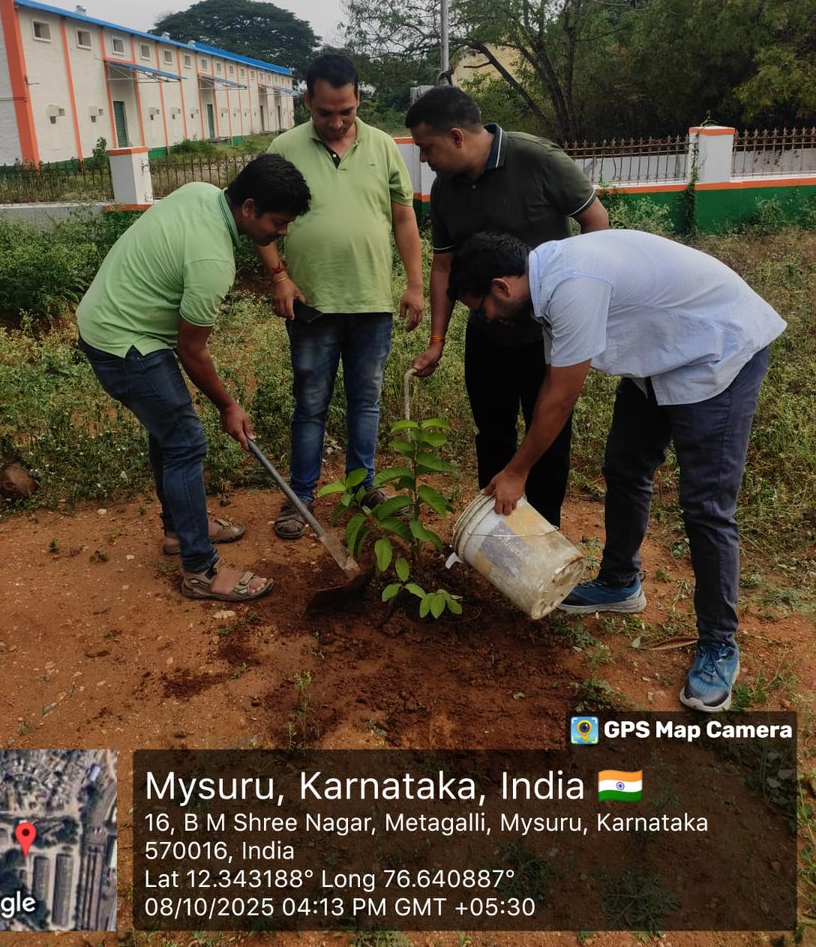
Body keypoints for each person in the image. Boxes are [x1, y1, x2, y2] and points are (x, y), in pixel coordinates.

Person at [447, 229, 786, 712]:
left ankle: (718, 644)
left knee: (706, 507)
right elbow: (551, 382)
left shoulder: (571, 287)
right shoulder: (543, 279)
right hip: (660, 360)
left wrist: (517, 471)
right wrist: (516, 466)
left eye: (481, 309)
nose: (487, 320)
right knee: (625, 468)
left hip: (717, 351)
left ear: (501, 287)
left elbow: (562, 399)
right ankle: (621, 582)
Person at [76, 155, 312, 602]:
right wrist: (228, 405)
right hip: (123, 341)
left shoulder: (201, 193)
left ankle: (179, 531)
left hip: (115, 325)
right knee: (185, 439)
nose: (281, 234)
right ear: (248, 207)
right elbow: (191, 350)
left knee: (168, 432)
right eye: (278, 222)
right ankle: (201, 570)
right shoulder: (213, 260)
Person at [408, 86, 608, 527]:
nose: (424, 159)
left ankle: (545, 534)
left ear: (457, 136)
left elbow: (595, 219)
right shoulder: (444, 190)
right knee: (492, 436)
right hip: (487, 335)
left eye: (427, 147)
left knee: (550, 440)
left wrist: (582, 298)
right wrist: (437, 340)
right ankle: (498, 535)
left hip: (546, 335)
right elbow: (442, 266)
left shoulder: (537, 159)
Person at [256, 54, 424, 538]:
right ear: (307, 99)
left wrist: (414, 285)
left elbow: (404, 218)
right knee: (310, 401)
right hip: (312, 303)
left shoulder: (384, 146)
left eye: (346, 111)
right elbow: (258, 220)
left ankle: (360, 486)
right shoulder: (284, 147)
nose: (335, 121)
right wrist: (279, 277)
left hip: (372, 302)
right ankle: (300, 498)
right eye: (325, 111)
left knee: (366, 401)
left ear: (357, 100)